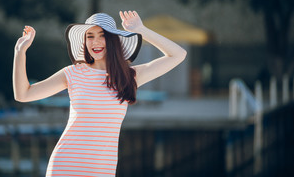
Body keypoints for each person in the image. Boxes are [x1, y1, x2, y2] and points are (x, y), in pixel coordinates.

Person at [13, 11, 187, 176]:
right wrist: (20, 52)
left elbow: (178, 55)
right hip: (66, 164)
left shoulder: (129, 76)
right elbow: (23, 94)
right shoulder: (72, 73)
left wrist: (141, 30)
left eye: (102, 35)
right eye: (90, 36)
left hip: (103, 170)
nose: (95, 42)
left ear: (113, 40)